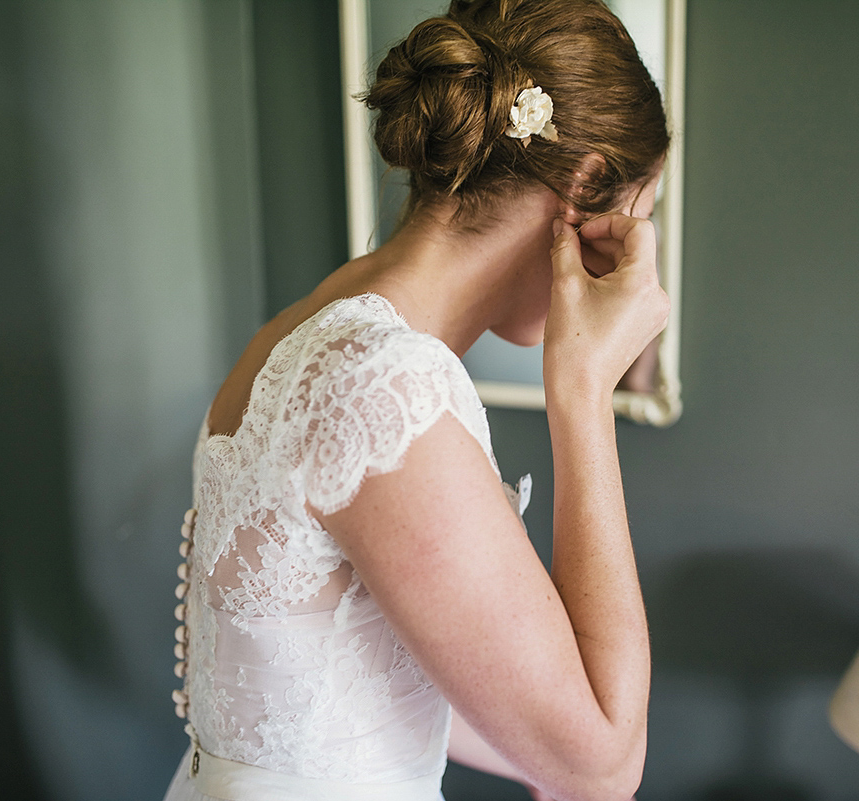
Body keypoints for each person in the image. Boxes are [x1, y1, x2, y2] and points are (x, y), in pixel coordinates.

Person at [161, 1, 669, 799]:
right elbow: (604, 765)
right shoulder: (383, 386)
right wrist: (585, 391)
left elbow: (352, 669)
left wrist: (535, 749)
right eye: (642, 210)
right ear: (588, 186)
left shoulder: (304, 330)